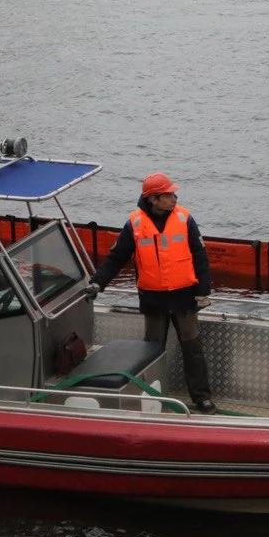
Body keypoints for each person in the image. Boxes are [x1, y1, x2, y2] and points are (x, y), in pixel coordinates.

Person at [84, 172, 216, 414]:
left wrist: (203, 291)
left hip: (185, 297)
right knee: (152, 352)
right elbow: (116, 258)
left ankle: (202, 397)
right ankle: (153, 399)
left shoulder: (185, 219)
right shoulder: (134, 224)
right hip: (154, 300)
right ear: (154, 199)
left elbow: (200, 256)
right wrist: (97, 284)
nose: (175, 198)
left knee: (193, 349)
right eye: (169, 194)